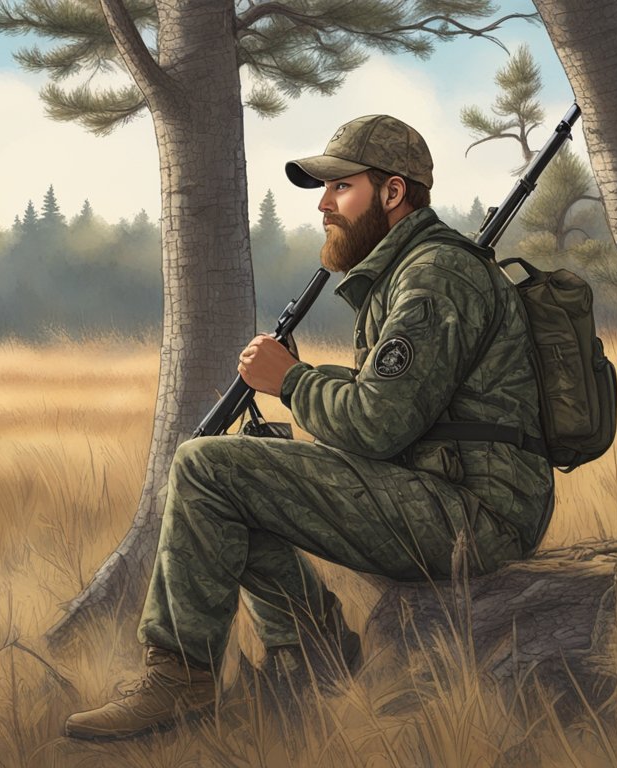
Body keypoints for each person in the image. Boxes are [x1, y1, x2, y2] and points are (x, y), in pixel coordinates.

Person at [63, 114, 556, 741]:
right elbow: (397, 413)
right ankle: (310, 648)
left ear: (393, 193)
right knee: (245, 463)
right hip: (449, 496)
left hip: (474, 518)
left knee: (207, 465)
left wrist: (290, 380)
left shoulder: (436, 277)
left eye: (340, 188)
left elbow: (377, 425)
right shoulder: (409, 272)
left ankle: (180, 682)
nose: (323, 205)